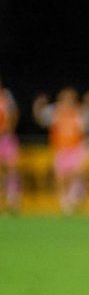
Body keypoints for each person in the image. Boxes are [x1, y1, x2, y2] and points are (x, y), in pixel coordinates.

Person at [34, 88, 88, 215]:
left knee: (77, 173)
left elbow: (84, 130)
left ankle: (74, 197)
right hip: (61, 149)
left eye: (70, 99)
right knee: (61, 178)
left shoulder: (78, 112)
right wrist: (38, 106)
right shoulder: (55, 111)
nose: (67, 102)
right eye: (65, 99)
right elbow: (41, 119)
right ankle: (64, 203)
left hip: (75, 148)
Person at [0, 80, 21, 214]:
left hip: (6, 137)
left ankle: (13, 201)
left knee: (12, 169)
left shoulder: (6, 96)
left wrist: (9, 129)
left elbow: (14, 114)